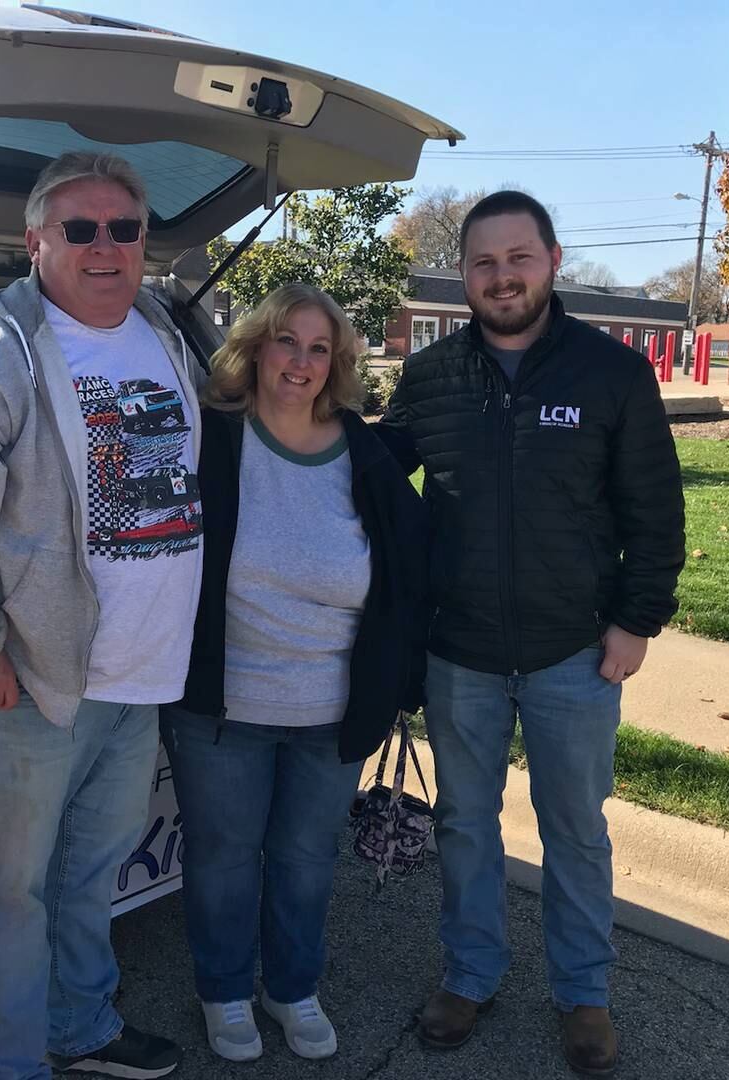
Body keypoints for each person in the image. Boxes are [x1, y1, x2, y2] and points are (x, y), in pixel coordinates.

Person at [0, 151, 202, 1080]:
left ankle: (81, 1025)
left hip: (138, 677)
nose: (105, 245)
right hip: (26, 680)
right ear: (35, 242)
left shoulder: (162, 330)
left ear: (145, 242)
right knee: (10, 893)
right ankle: (12, 1065)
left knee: (89, 874)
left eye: (124, 228)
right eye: (79, 228)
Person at [375, 191, 686, 1077]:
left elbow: (655, 516)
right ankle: (470, 974)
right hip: (459, 652)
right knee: (466, 825)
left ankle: (584, 995)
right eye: (482, 262)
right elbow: (370, 474)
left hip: (575, 653)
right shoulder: (432, 378)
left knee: (575, 830)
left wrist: (635, 622)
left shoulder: (610, 374)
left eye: (518, 258)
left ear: (553, 260)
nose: (501, 276)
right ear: (463, 274)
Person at [163, 283, 427, 1064]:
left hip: (333, 708)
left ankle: (292, 988)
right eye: (287, 342)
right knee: (223, 859)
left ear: (337, 364)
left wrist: (402, 682)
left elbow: (409, 569)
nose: (301, 362)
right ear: (254, 348)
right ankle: (223, 991)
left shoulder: (364, 450)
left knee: (309, 860)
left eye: (320, 349)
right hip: (221, 706)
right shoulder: (209, 437)